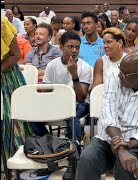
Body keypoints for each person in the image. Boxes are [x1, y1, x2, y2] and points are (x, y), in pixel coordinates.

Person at [76, 48, 138, 180]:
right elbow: (108, 115)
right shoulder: (113, 76)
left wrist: (127, 146)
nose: (119, 75)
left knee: (125, 166)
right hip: (108, 138)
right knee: (87, 159)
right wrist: (121, 148)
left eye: (124, 74)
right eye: (120, 70)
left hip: (137, 144)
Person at [31, 31, 92, 179]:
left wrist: (74, 75)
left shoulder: (85, 67)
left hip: (79, 104)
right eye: (70, 46)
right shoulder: (52, 65)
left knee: (72, 118)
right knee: (33, 117)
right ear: (61, 47)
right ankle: (52, 149)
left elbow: (81, 97)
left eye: (77, 47)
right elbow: (46, 91)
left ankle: (74, 159)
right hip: (56, 103)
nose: (74, 50)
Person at [1, 16, 32, 172]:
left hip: (6, 77)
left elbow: (15, 54)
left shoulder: (1, 23)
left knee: (11, 121)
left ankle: (14, 166)